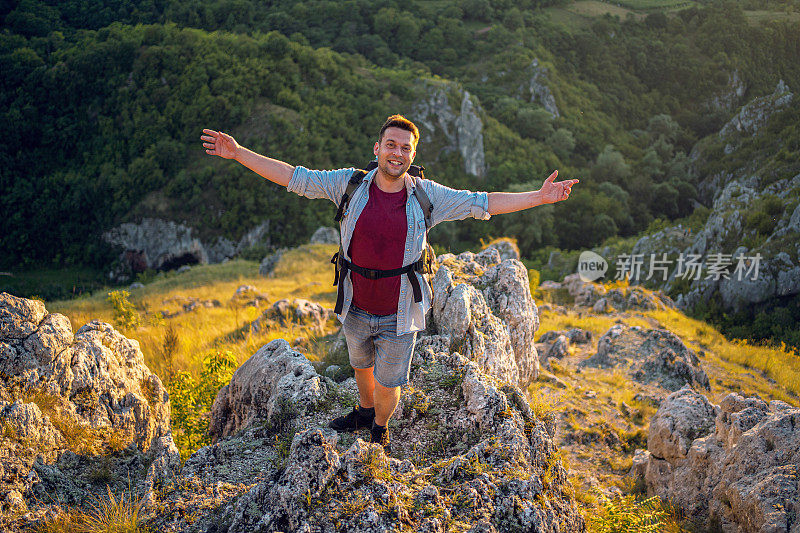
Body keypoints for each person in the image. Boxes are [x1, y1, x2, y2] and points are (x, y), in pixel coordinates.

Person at [200, 115, 578, 450]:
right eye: (391, 145)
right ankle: (363, 413)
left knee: (389, 384)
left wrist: (540, 197)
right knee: (360, 365)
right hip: (354, 302)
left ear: (413, 157)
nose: (397, 153)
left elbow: (484, 202)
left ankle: (379, 427)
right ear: (377, 148)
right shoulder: (350, 184)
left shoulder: (427, 196)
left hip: (400, 312)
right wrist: (239, 153)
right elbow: (293, 176)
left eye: (406, 148)